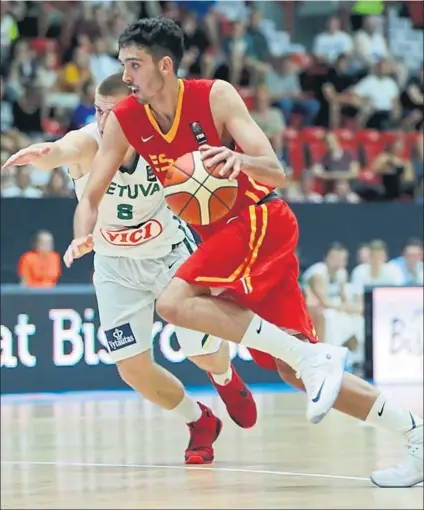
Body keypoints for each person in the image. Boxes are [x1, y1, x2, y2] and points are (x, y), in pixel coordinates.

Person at [67, 19, 422, 488]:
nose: (127, 75)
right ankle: (414, 436)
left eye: (134, 64)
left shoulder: (215, 96)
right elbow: (91, 194)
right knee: (295, 371)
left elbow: (276, 172)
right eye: (122, 65)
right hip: (220, 241)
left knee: (172, 304)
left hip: (258, 220)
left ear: (164, 65)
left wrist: (240, 160)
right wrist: (82, 234)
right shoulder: (129, 119)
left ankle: (308, 359)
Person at [1, 73, 258, 465]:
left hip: (169, 255)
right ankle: (199, 422)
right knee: (132, 368)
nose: (104, 121)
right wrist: (45, 153)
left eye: (113, 112)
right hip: (115, 265)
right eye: (98, 111)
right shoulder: (89, 142)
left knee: (199, 350)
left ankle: (224, 378)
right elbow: (62, 149)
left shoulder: (163, 141)